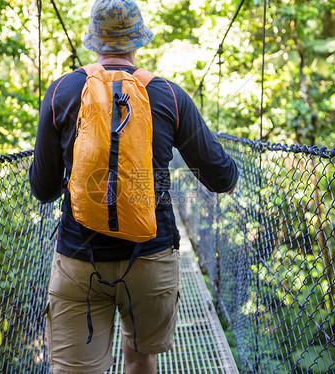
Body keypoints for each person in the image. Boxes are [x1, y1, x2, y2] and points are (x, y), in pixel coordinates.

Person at [29, 0, 238, 373]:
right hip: (150, 258)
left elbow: (42, 188)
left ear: (94, 39)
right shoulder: (168, 95)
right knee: (140, 357)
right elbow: (221, 178)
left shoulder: (62, 91)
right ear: (138, 40)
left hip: (79, 258)